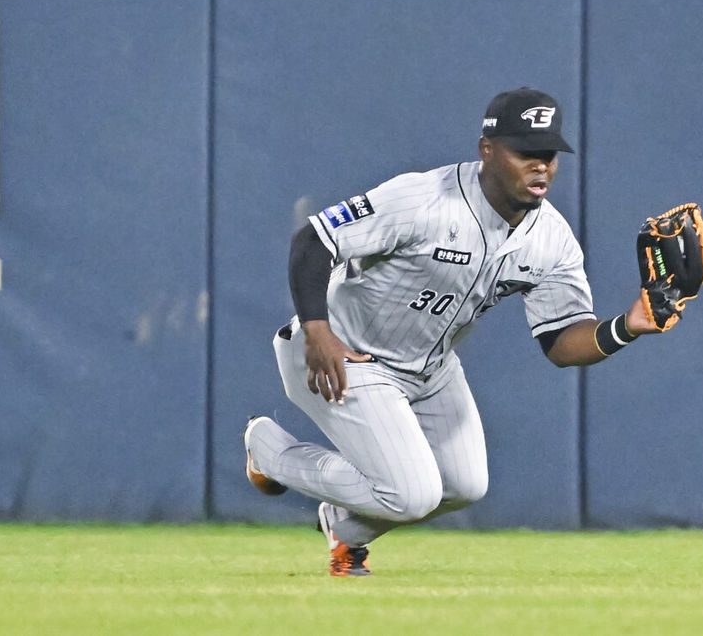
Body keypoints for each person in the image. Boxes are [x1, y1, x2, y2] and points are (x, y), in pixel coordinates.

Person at [244, 87, 671, 577]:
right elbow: (314, 240)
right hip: (342, 353)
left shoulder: (552, 239)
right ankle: (267, 449)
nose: (541, 166)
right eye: (526, 152)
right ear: (487, 149)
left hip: (429, 368)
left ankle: (345, 528)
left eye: (549, 155)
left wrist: (628, 326)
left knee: (464, 486)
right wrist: (318, 332)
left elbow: (560, 341)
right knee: (411, 495)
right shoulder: (423, 199)